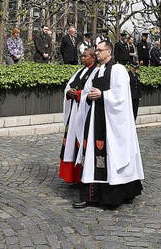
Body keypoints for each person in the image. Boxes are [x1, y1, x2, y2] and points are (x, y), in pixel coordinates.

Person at [73, 40, 144, 209]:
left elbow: (121, 96)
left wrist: (103, 95)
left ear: (109, 52)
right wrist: (88, 96)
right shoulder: (96, 71)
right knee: (92, 156)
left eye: (100, 50)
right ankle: (90, 196)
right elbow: (86, 92)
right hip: (96, 120)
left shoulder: (118, 70)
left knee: (113, 155)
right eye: (96, 50)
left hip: (112, 122)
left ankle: (120, 194)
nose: (96, 53)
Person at [59, 48, 97, 184]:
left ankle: (83, 176)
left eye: (85, 56)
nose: (82, 58)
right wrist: (69, 93)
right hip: (75, 110)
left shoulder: (96, 71)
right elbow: (68, 86)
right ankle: (72, 175)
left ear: (93, 57)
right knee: (71, 142)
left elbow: (92, 91)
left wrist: (81, 95)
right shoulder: (80, 71)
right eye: (82, 56)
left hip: (85, 111)